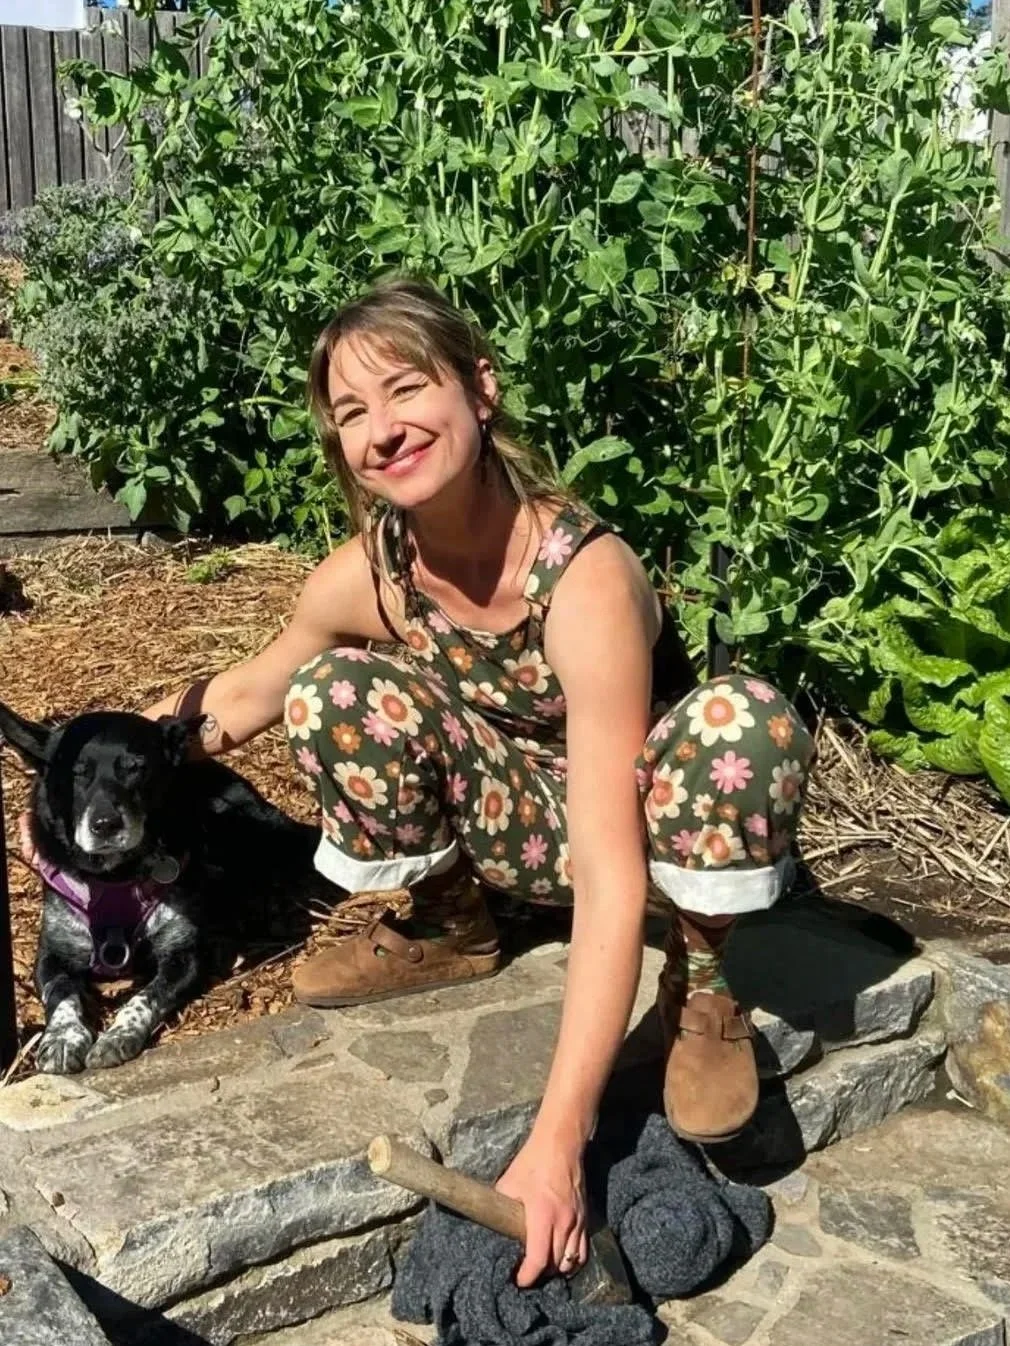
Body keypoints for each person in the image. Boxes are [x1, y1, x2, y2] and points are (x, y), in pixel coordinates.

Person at [23, 277, 813, 1287]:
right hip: (519, 826)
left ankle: (705, 988)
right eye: (352, 412)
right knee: (330, 689)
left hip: (638, 841)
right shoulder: (373, 572)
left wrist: (557, 1139)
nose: (383, 429)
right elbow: (239, 696)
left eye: (405, 389)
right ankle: (454, 928)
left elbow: (610, 867)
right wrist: (74, 771)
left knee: (737, 720)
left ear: (478, 391)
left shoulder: (583, 579)